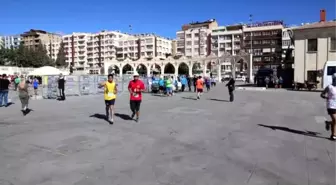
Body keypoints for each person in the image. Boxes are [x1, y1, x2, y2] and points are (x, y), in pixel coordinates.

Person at [321, 73, 336, 140]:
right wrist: (326, 97)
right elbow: (322, 94)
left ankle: (333, 135)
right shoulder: (329, 87)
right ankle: (333, 132)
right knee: (335, 119)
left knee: (334, 120)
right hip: (330, 105)